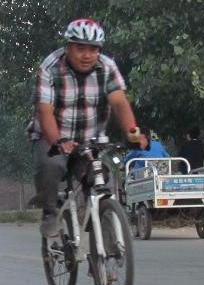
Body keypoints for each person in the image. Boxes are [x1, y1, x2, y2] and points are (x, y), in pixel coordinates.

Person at [29, 18, 149, 237]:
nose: (87, 55)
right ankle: (50, 211)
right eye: (80, 48)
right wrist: (59, 142)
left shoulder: (106, 67)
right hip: (53, 137)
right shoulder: (50, 67)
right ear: (67, 47)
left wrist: (133, 132)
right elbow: (44, 111)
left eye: (93, 49)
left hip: (89, 140)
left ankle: (104, 251)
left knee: (98, 179)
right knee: (51, 166)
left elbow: (120, 103)